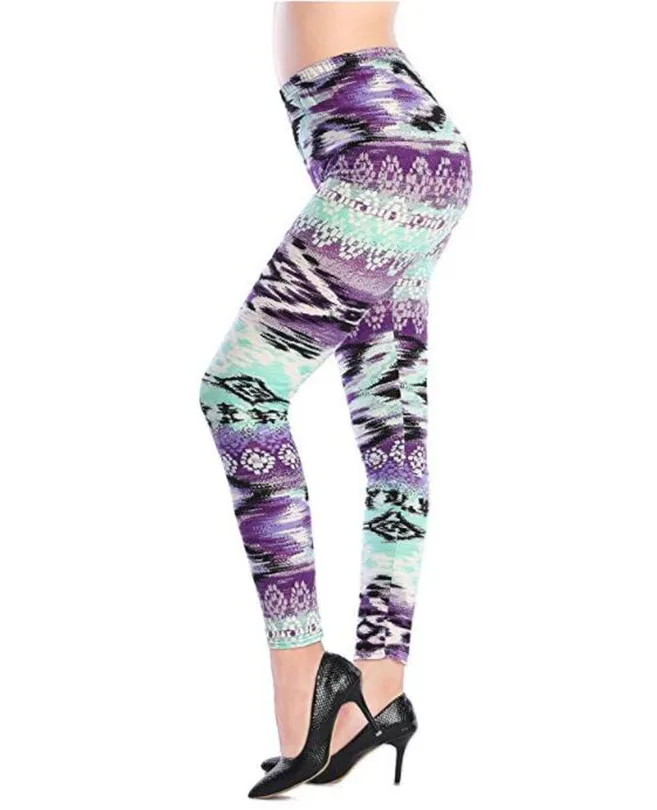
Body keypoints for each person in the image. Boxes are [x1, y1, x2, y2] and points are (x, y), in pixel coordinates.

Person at [198, 2, 472, 798]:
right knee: (392, 431)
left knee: (240, 393)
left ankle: (303, 681)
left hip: (382, 149)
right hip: (389, 138)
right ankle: (379, 693)